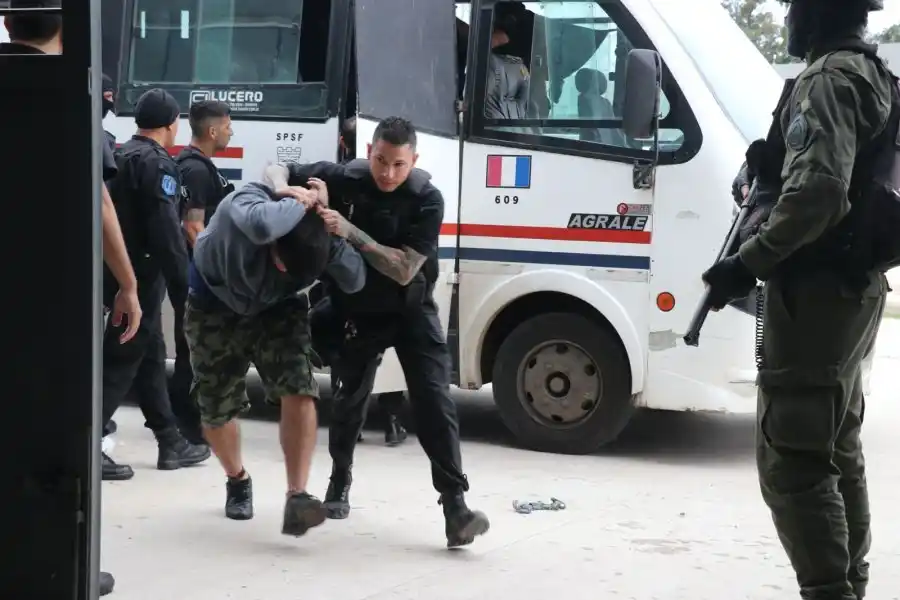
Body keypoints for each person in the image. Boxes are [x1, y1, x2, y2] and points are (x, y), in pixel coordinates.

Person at [701, 1, 892, 597]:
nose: (788, 22)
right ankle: (848, 584)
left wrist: (746, 262)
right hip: (850, 291)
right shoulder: (874, 75)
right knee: (836, 451)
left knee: (795, 464)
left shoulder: (826, 79)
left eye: (793, 8)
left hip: (815, 295)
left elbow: (821, 193)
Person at [264, 117, 490, 548]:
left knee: (435, 401)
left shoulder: (427, 199)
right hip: (359, 311)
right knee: (350, 398)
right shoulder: (346, 176)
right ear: (369, 150)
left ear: (414, 161)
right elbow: (275, 166)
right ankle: (339, 481)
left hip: (411, 309)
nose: (387, 173)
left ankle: (455, 506)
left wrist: (347, 231)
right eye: (381, 161)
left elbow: (404, 269)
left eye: (398, 165)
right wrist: (289, 190)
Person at [185, 176, 365, 533]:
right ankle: (237, 478)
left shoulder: (316, 239)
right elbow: (263, 221)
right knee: (216, 408)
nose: (288, 273)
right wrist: (300, 201)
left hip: (278, 310)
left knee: (300, 386)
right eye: (285, 267)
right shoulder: (246, 206)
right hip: (215, 306)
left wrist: (330, 222)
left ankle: (297, 496)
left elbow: (356, 279)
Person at [103, 89, 211, 480]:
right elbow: (167, 235)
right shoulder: (158, 165)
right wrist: (186, 292)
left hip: (117, 269)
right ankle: (90, 440)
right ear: (171, 125)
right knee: (122, 358)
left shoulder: (120, 154)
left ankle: (170, 440)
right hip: (142, 276)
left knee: (150, 355)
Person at [171, 99, 236, 445]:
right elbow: (193, 227)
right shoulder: (196, 169)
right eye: (227, 126)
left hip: (195, 270)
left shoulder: (193, 164)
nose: (230, 131)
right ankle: (188, 425)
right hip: (197, 273)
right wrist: (215, 274)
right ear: (212, 130)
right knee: (194, 348)